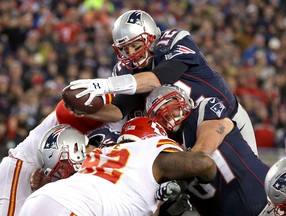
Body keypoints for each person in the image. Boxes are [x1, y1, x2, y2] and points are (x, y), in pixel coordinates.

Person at [68, 9, 258, 155]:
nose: (132, 53)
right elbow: (118, 111)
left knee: (252, 179)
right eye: (125, 49)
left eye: (136, 45)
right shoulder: (126, 70)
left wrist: (103, 85)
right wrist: (86, 109)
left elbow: (155, 80)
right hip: (186, 133)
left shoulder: (174, 41)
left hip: (227, 116)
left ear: (151, 37)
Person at [19, 117, 216, 216]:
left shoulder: (100, 153)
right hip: (79, 209)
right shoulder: (151, 154)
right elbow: (203, 163)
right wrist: (200, 178)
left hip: (39, 201)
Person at [145, 84, 271, 216]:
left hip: (264, 201)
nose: (166, 113)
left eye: (168, 104)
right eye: (158, 112)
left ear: (182, 99)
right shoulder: (166, 150)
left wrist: (179, 182)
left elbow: (203, 152)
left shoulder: (204, 109)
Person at [0, 97, 119, 216]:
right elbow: (65, 110)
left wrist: (52, 179)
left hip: (56, 174)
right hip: (26, 165)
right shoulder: (106, 99)